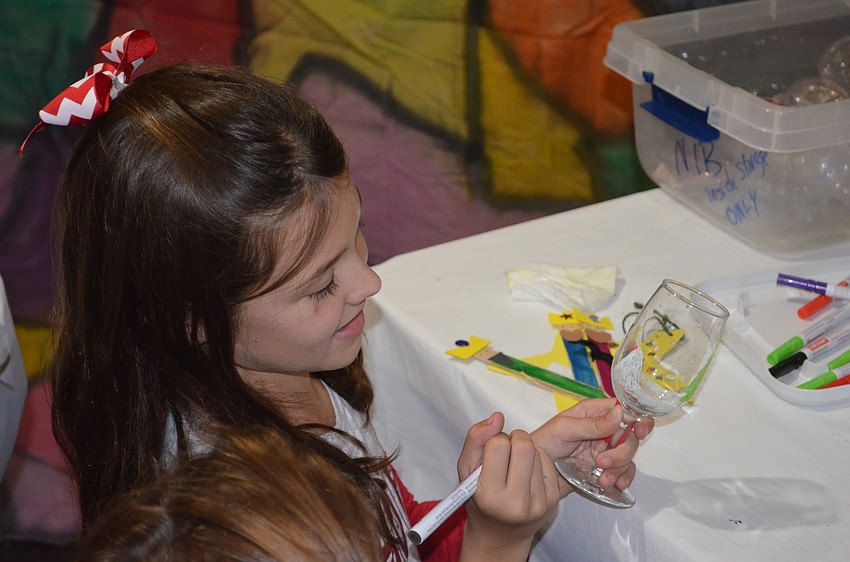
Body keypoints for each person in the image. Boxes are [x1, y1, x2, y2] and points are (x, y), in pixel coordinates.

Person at [28, 30, 653, 562]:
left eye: (358, 237)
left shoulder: (275, 374)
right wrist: (498, 540)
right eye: (321, 284)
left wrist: (480, 497)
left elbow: (390, 535)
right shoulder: (245, 523)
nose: (368, 282)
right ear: (190, 318)